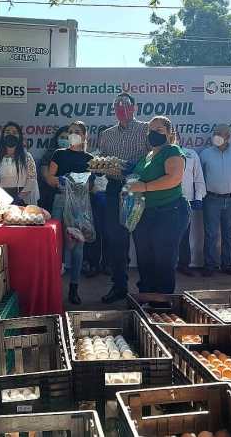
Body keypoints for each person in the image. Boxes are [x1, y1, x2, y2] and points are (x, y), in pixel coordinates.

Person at [128, 116, 189, 297]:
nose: (154, 134)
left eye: (159, 130)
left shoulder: (172, 151)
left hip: (169, 212)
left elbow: (174, 178)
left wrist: (145, 187)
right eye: (151, 130)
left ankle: (162, 303)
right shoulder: (147, 156)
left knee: (163, 259)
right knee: (145, 258)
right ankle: (146, 296)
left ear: (169, 134)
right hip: (145, 213)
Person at [98, 93, 148, 303]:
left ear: (135, 108)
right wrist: (98, 167)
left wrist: (137, 167)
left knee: (143, 239)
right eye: (117, 106)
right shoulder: (106, 134)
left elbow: (155, 158)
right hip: (114, 189)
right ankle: (119, 286)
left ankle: (146, 289)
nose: (122, 109)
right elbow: (101, 159)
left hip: (139, 189)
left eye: (126, 105)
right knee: (116, 241)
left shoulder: (146, 129)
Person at [46, 121, 93, 305]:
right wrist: (61, 181)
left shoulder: (89, 158)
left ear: (84, 135)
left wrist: (81, 184)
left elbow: (92, 186)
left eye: (77, 131)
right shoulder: (59, 154)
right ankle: (53, 286)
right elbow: (50, 178)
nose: (73, 134)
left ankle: (74, 288)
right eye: (71, 131)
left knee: (77, 246)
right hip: (60, 200)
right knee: (56, 243)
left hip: (80, 205)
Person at [199, 124, 231, 277]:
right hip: (211, 199)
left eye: (219, 133)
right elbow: (199, 176)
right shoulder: (205, 154)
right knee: (211, 234)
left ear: (228, 136)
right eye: (215, 133)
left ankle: (227, 265)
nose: (216, 136)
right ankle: (209, 266)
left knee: (229, 235)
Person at [0, 122, 39, 205]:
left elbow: (32, 179)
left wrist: (19, 197)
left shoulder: (27, 157)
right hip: (0, 198)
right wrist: (1, 196)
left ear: (19, 137)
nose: (11, 135)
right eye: (7, 132)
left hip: (22, 199)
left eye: (14, 132)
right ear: (2, 136)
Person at [177, 145, 206, 276]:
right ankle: (164, 264)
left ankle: (183, 265)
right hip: (165, 200)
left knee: (184, 235)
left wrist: (198, 197)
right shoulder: (160, 153)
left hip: (186, 200)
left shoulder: (191, 154)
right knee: (164, 234)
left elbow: (198, 177)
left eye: (174, 136)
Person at [38, 126, 69, 212]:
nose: (65, 140)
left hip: (70, 196)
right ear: (57, 138)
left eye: (68, 138)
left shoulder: (76, 156)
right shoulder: (49, 154)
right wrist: (59, 183)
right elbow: (46, 176)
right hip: (50, 194)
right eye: (62, 137)